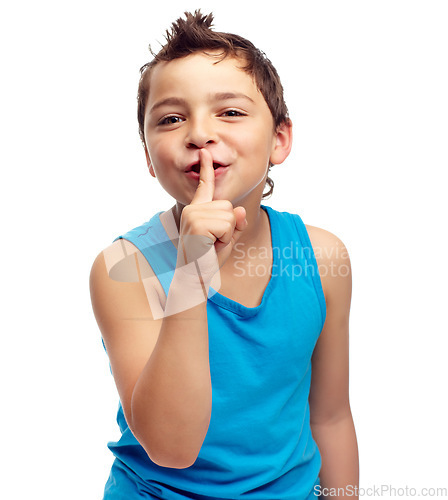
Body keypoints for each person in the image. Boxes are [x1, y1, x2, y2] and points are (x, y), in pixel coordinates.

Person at [90, 10, 359, 500]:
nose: (199, 133)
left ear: (279, 139)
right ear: (149, 158)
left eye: (230, 112)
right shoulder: (123, 269)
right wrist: (192, 272)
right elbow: (173, 448)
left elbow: (332, 415)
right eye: (171, 119)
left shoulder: (322, 259)